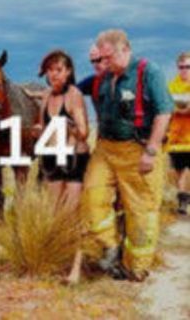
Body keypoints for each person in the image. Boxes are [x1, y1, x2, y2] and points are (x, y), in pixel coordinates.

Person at [80, 29, 173, 281]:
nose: (104, 63)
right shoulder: (103, 77)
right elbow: (71, 90)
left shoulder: (147, 72)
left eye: (108, 57)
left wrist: (151, 152)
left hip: (138, 149)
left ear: (125, 49)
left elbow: (164, 112)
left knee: (140, 210)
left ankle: (136, 267)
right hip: (106, 149)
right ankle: (110, 246)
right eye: (100, 58)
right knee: (91, 197)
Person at [33, 49, 89, 209]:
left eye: (59, 70)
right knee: (54, 208)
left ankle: (74, 234)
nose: (54, 74)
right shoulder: (46, 95)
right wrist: (39, 132)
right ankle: (58, 234)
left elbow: (84, 133)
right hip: (52, 156)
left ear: (68, 72)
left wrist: (69, 127)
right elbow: (44, 129)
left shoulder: (74, 95)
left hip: (74, 158)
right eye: (50, 70)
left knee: (70, 209)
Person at [167, 51, 190, 215]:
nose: (184, 70)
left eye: (188, 67)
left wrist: (180, 109)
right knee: (179, 171)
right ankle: (183, 199)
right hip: (175, 138)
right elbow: (167, 108)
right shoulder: (171, 86)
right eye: (181, 67)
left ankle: (184, 199)